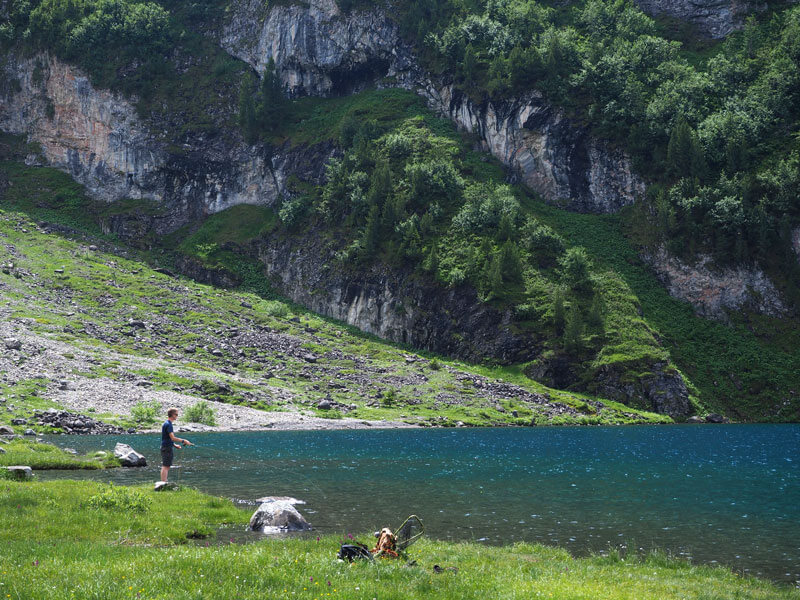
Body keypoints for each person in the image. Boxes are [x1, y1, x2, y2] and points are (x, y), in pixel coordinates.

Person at [160, 407, 193, 482]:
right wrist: (184, 441)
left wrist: (175, 445)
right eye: (176, 414)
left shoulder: (167, 423)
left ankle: (164, 482)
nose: (177, 416)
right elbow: (172, 438)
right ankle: (163, 483)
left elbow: (167, 438)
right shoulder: (168, 424)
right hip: (167, 448)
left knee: (166, 465)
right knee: (166, 466)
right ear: (172, 414)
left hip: (166, 447)